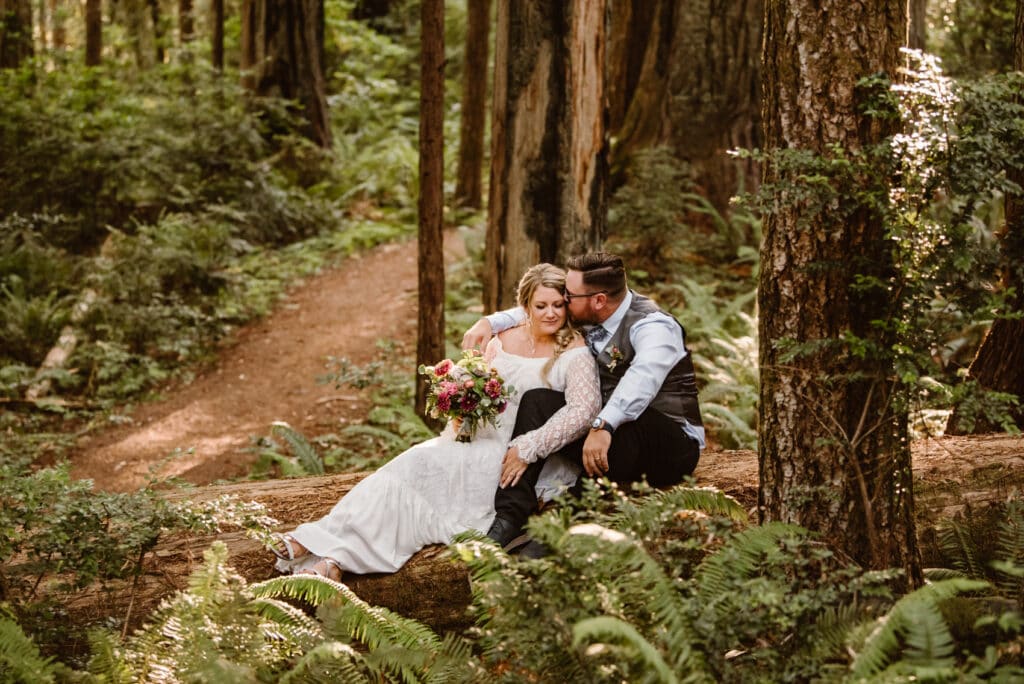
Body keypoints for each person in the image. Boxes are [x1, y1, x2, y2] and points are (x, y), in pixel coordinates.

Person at [269, 264, 600, 580]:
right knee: (408, 465)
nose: (550, 313)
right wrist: (459, 402)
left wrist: (529, 447)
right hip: (476, 436)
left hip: (520, 452)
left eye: (558, 305)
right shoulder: (503, 338)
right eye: (540, 305)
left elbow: (583, 411)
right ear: (525, 305)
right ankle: (329, 553)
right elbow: (475, 381)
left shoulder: (575, 350)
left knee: (427, 479)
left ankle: (331, 554)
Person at [461, 252, 704, 553]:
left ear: (598, 300)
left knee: (628, 432)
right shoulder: (589, 310)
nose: (564, 300)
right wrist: (490, 321)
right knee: (537, 400)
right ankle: (512, 516)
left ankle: (563, 526)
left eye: (569, 295)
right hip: (613, 431)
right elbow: (537, 308)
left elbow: (643, 378)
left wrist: (604, 423)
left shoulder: (653, 326)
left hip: (670, 442)